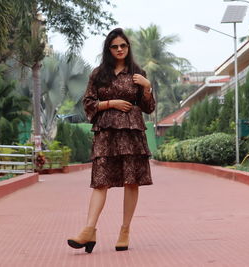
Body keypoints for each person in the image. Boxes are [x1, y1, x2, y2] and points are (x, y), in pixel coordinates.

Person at [67, 28, 155, 253]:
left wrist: (147, 87)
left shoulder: (137, 73)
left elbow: (148, 108)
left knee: (131, 181)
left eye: (123, 46)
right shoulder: (98, 74)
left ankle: (125, 230)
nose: (119, 50)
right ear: (108, 49)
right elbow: (88, 104)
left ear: (128, 48)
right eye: (114, 46)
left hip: (132, 133)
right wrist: (111, 103)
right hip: (106, 134)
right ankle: (89, 230)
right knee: (100, 181)